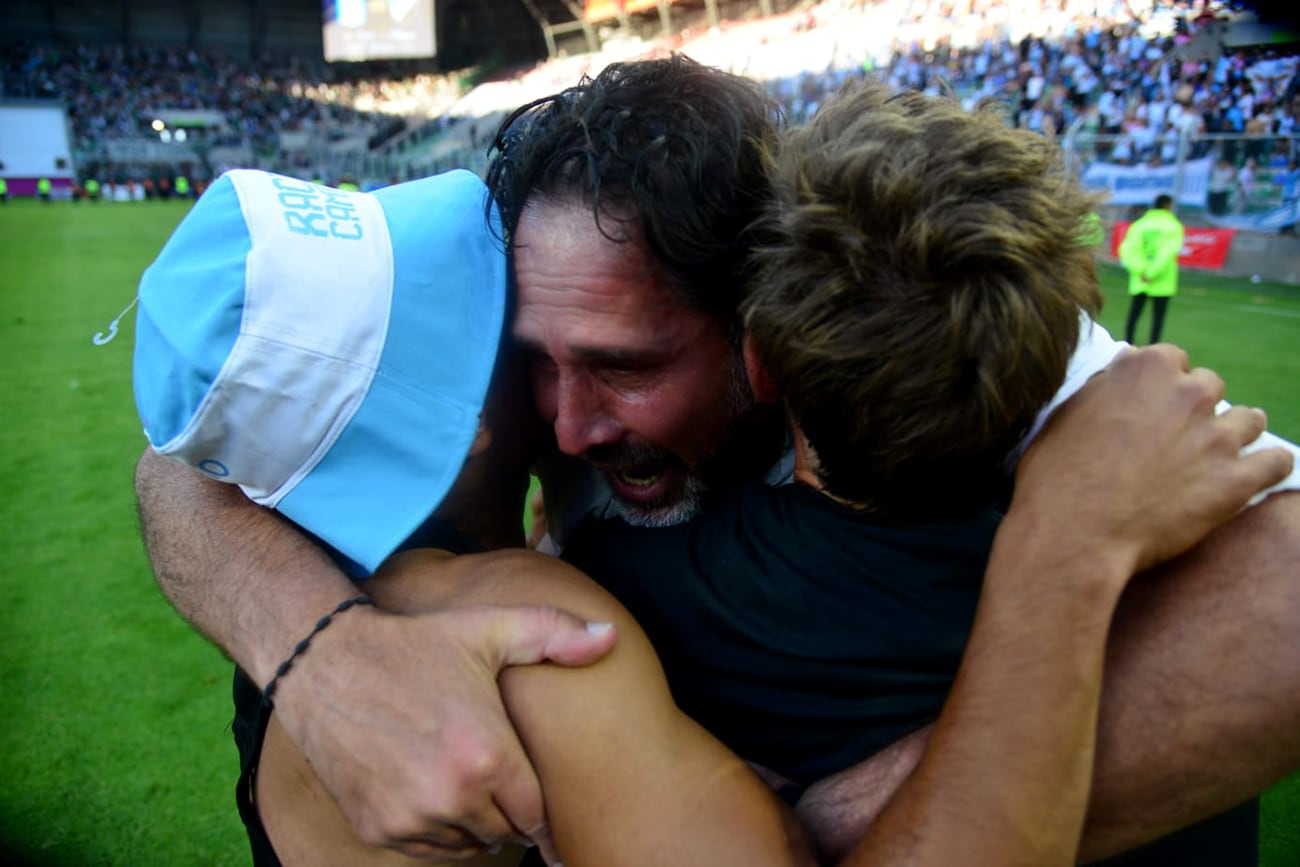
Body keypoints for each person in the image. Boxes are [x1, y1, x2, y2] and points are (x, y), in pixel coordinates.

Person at [134, 55, 1300, 865]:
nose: (566, 424)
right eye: (527, 362)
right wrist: (312, 656)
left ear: (765, 335)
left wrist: (1061, 543)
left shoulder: (960, 354)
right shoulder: (518, 491)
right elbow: (184, 462)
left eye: (626, 365)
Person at [1119, 193, 1184, 345]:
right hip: (1162, 280)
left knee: (1134, 314)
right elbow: (1167, 253)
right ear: (1168, 206)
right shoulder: (1173, 226)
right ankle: (1153, 348)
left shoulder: (1139, 225)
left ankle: (1128, 345)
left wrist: (1141, 270)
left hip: (1140, 278)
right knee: (1158, 318)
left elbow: (1127, 251)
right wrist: (1152, 272)